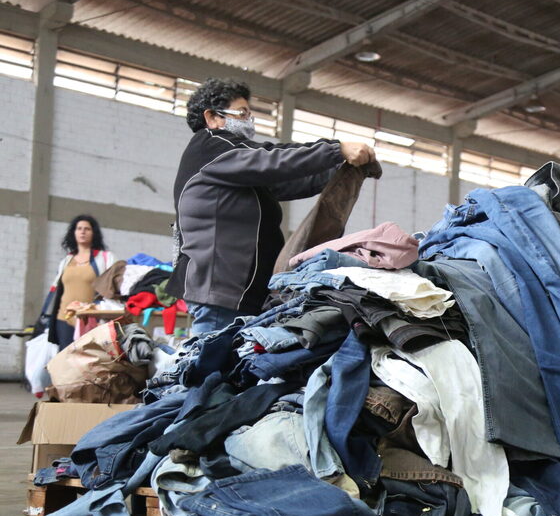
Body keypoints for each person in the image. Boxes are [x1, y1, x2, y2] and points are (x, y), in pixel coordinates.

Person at [167, 78, 376, 335]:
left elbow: (289, 181)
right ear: (212, 117)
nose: (249, 120)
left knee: (229, 371)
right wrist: (335, 149)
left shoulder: (237, 171)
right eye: (242, 113)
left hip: (240, 294)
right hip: (221, 293)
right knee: (212, 371)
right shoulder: (211, 146)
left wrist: (341, 170)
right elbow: (271, 159)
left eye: (250, 114)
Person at [46, 215, 117, 350]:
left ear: (93, 233)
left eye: (87, 229)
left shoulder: (105, 258)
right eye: (79, 229)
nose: (83, 231)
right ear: (74, 233)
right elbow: (56, 290)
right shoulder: (66, 260)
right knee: (65, 360)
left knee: (88, 359)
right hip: (63, 318)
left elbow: (113, 288)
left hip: (91, 319)